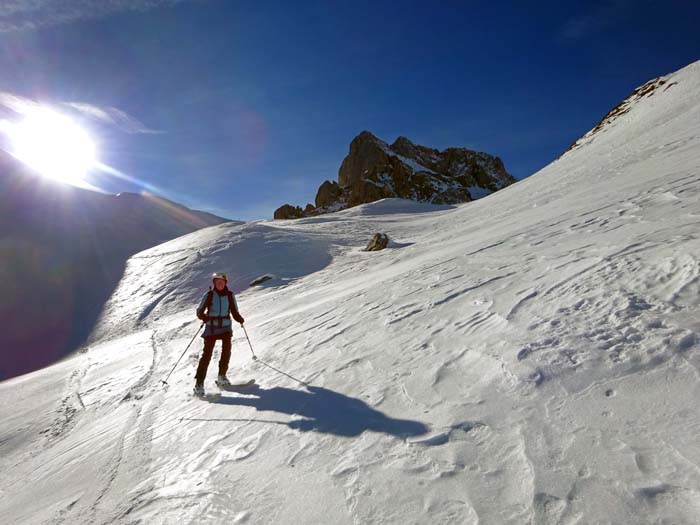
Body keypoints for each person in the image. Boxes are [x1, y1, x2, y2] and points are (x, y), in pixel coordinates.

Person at [193, 272, 245, 395]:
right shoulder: (209, 295)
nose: (219, 284)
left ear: (225, 283)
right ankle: (199, 383)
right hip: (211, 328)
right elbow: (199, 311)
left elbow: (234, 311)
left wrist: (240, 319)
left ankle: (222, 376)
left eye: (221, 282)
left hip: (226, 328)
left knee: (226, 352)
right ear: (214, 283)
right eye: (217, 282)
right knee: (207, 356)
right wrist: (204, 317)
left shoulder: (230, 295)